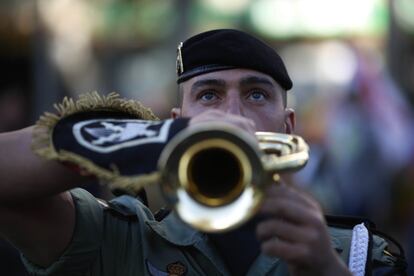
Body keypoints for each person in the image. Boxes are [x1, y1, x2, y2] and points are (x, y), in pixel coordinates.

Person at [0, 29, 406, 275]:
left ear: (287, 127)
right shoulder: (123, 240)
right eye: (209, 95)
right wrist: (149, 141)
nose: (231, 114)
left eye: (256, 94)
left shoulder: (358, 254)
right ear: (177, 121)